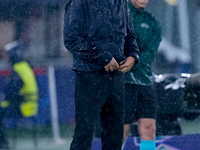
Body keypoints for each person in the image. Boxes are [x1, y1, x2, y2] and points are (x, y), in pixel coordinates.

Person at [63, 1, 140, 150]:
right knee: (84, 133)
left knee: (115, 133)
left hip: (116, 77)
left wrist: (133, 55)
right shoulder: (79, 2)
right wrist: (102, 57)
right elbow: (71, 39)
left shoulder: (121, 2)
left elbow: (130, 35)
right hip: (89, 76)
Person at [123, 0, 162, 149]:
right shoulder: (118, 17)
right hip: (124, 82)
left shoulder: (152, 22)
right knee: (121, 129)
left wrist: (133, 62)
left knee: (149, 127)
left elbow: (151, 53)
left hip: (145, 82)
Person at [0, 40, 39, 149]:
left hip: (23, 107)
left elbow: (12, 92)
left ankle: (3, 143)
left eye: (7, 54)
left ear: (13, 54)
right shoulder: (24, 67)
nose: (5, 57)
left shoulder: (18, 69)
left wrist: (4, 98)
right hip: (29, 106)